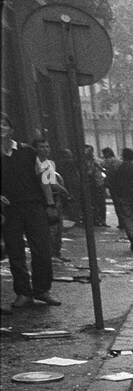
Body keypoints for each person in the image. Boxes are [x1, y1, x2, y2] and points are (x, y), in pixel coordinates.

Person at [1, 113, 60, 307]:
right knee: (15, 252)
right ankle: (23, 292)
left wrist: (50, 204)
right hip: (10, 210)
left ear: (11, 130)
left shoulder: (28, 152)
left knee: (42, 250)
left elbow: (45, 179)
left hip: (34, 206)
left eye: (4, 125)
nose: (1, 128)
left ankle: (42, 290)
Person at [32, 137, 71, 262]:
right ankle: (50, 254)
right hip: (43, 199)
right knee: (50, 228)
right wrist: (63, 190)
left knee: (58, 226)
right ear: (36, 149)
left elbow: (52, 180)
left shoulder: (50, 163)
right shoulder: (35, 163)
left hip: (55, 197)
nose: (45, 149)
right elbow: (49, 181)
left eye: (47, 146)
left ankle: (56, 252)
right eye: (42, 147)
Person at [107, 147, 133, 251]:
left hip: (123, 197)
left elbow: (113, 183)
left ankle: (132, 238)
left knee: (127, 218)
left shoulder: (118, 169)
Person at [101, 147, 125, 233]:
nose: (103, 156)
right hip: (120, 185)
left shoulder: (108, 161)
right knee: (121, 204)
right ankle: (123, 222)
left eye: (104, 154)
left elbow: (102, 166)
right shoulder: (119, 161)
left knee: (118, 205)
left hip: (113, 185)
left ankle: (122, 222)